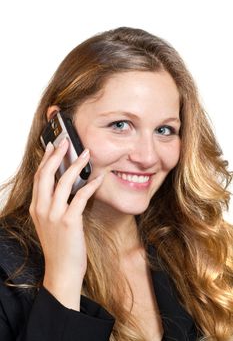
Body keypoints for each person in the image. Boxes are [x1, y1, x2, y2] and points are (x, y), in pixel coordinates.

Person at [0, 27, 232, 341]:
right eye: (120, 125)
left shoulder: (207, 252)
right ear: (59, 129)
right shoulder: (7, 268)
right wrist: (62, 281)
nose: (148, 157)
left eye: (164, 130)